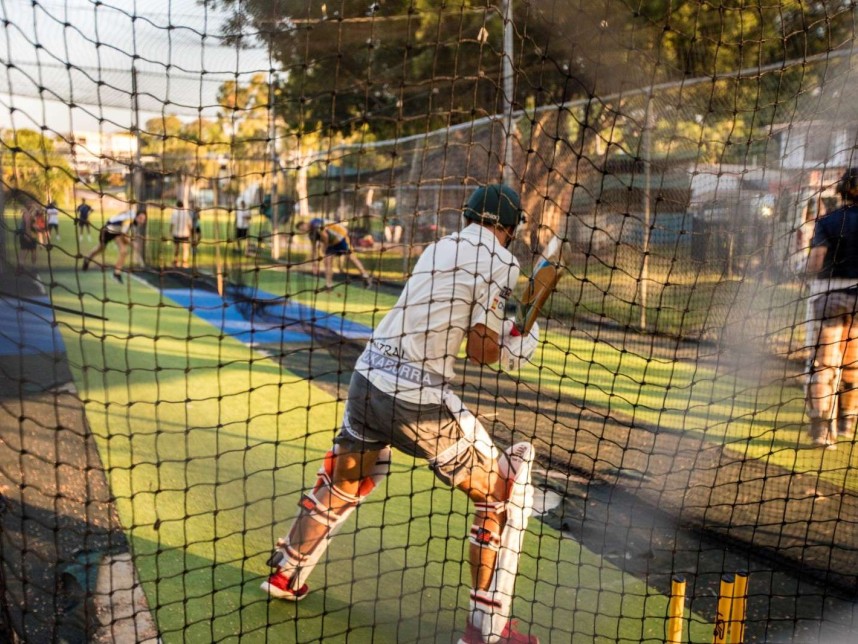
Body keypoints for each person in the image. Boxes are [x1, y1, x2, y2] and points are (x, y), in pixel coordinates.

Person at [262, 185, 542, 644]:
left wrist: (506, 332)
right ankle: (488, 630)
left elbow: (451, 313)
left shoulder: (438, 246)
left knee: (344, 483)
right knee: (503, 494)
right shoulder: (500, 260)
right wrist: (517, 345)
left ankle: (285, 573)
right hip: (417, 401)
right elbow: (480, 350)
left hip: (367, 378)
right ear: (507, 228)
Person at [805, 167, 858, 448]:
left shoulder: (828, 221)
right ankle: (847, 422)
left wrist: (806, 273)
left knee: (823, 364)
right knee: (853, 363)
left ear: (842, 190)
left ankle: (821, 431)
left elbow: (816, 261)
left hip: (829, 295)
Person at [300, 217, 372, 289]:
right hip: (331, 243)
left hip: (340, 236)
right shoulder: (311, 235)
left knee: (351, 257)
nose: (303, 230)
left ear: (305, 224)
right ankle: (329, 285)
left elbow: (325, 235)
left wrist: (324, 247)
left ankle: (365, 276)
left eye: (302, 228)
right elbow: (313, 249)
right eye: (301, 230)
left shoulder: (315, 223)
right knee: (327, 261)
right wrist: (314, 263)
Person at [81, 207, 147, 283]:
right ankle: (88, 259)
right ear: (137, 216)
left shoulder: (132, 218)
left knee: (124, 251)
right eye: (141, 218)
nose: (142, 221)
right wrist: (133, 244)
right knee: (101, 248)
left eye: (144, 219)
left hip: (116, 232)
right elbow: (124, 235)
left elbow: (124, 233)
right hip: (108, 230)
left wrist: (130, 242)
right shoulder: (130, 219)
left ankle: (116, 273)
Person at [170, 200, 193, 268]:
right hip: (185, 234)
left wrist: (170, 232)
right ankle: (184, 261)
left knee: (176, 247)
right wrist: (191, 232)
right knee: (185, 248)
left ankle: (175, 261)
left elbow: (172, 224)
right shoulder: (186, 213)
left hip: (176, 233)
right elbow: (190, 224)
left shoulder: (174, 213)